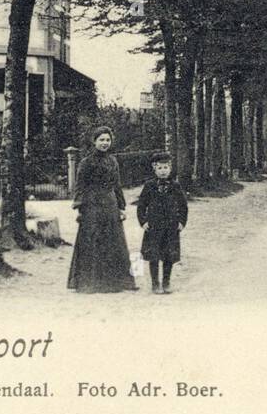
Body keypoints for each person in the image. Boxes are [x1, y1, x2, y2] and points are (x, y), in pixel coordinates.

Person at [67, 126, 137, 293]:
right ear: (94, 141)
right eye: (101, 140)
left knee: (113, 242)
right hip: (92, 205)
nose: (105, 143)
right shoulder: (86, 162)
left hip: (110, 203)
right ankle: (91, 282)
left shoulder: (113, 161)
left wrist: (121, 206)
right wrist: (80, 206)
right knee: (92, 241)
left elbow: (117, 185)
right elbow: (80, 186)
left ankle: (116, 282)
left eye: (107, 140)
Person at [136, 152, 188, 295]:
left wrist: (182, 222)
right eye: (160, 168)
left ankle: (166, 282)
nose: (163, 171)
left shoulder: (175, 186)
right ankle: (155, 283)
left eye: (166, 167)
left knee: (169, 255)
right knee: (154, 255)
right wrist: (143, 221)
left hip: (171, 226)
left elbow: (183, 206)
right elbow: (141, 205)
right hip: (154, 226)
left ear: (170, 169)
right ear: (155, 169)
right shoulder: (149, 185)